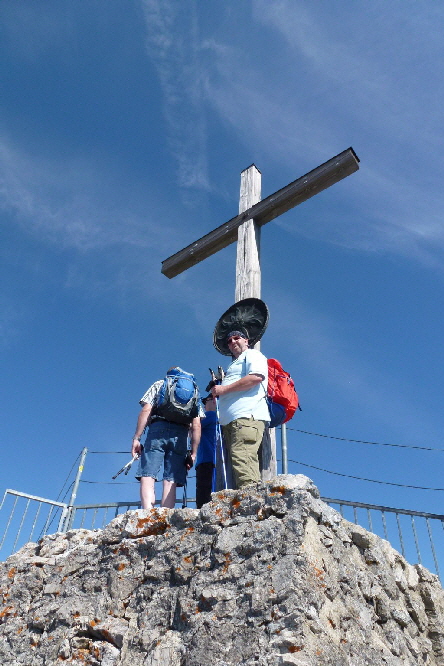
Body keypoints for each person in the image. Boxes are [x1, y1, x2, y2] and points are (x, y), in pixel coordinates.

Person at [131, 368, 204, 510]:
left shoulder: (161, 384)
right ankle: (166, 514)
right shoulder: (195, 392)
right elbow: (196, 425)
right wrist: (193, 453)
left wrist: (137, 437)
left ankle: (147, 512)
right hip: (181, 434)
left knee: (148, 472)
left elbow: (146, 410)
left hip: (158, 428)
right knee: (171, 478)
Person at [210, 331, 269, 489]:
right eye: (229, 341)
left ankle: (251, 504)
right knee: (238, 460)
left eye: (237, 338)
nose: (233, 342)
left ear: (246, 341)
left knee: (243, 458)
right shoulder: (234, 364)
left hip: (246, 416)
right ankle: (247, 501)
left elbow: (256, 377)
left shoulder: (252, 354)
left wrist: (224, 389)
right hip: (233, 420)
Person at [195, 395, 217, 508]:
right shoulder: (220, 418)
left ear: (214, 400)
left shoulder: (210, 415)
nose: (204, 404)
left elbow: (194, 426)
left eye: (205, 401)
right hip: (216, 460)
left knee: (203, 496)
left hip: (205, 460)